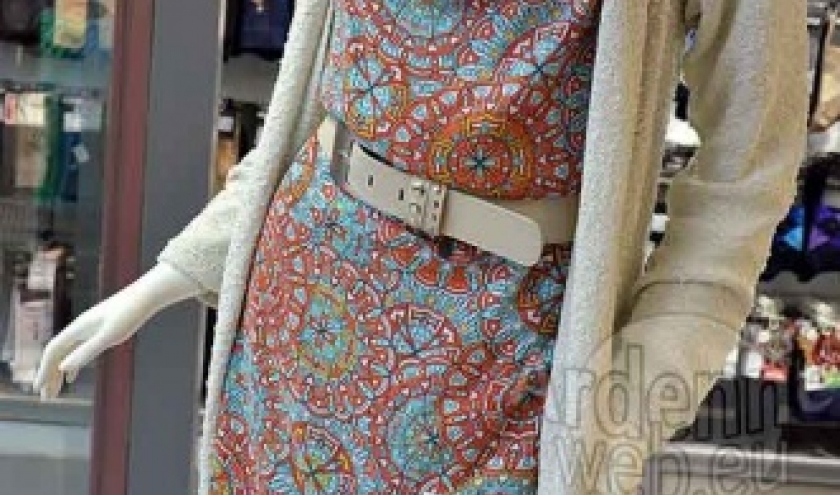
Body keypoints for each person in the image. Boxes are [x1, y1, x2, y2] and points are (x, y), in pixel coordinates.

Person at [35, 1, 808, 494]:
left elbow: (750, 162)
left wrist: (642, 385)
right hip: (301, 324)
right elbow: (331, 96)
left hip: (513, 362)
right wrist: (177, 269)